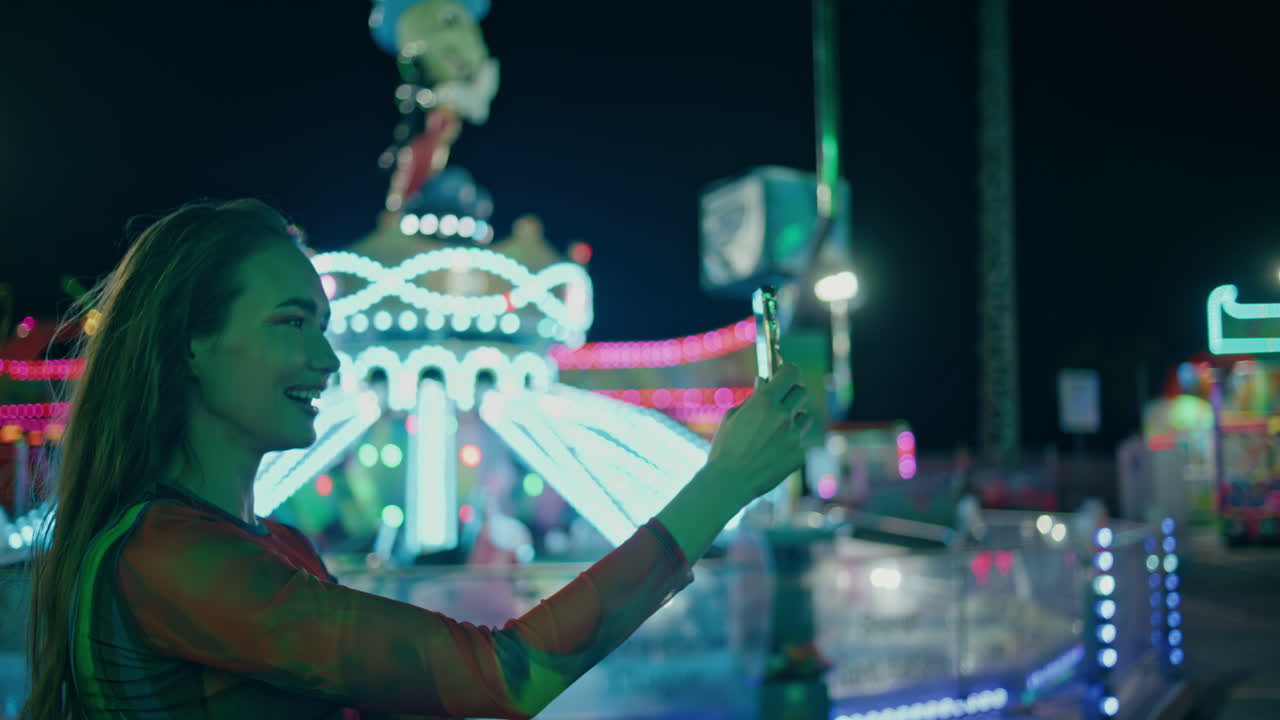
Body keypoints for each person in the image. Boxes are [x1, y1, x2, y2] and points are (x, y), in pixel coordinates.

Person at [23, 199, 814, 719]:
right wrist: (720, 486)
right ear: (189, 344)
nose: (326, 360)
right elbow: (501, 678)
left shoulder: (272, 545)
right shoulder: (170, 560)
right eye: (291, 323)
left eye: (323, 326)